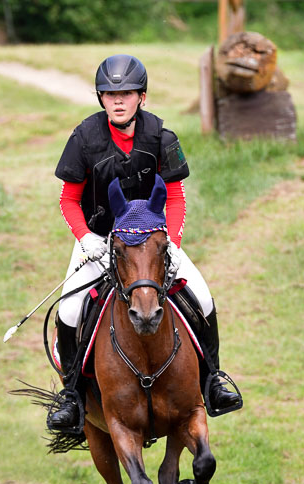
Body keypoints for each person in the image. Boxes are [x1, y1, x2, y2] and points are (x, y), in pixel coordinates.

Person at [50, 53, 241, 430]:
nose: (117, 100)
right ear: (101, 99)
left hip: (154, 241)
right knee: (69, 310)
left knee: (202, 297)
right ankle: (72, 397)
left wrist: (170, 240)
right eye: (109, 94)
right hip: (100, 239)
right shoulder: (84, 138)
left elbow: (175, 196)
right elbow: (68, 200)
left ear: (142, 97)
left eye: (126, 93)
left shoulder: (163, 137)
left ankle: (213, 381)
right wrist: (86, 238)